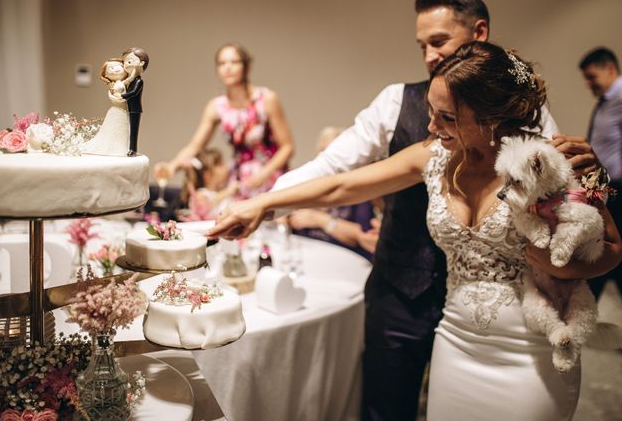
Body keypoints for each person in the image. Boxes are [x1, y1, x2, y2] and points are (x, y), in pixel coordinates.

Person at [208, 41, 622, 420]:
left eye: (447, 117)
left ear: (490, 118)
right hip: (455, 345)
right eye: (430, 111)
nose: (430, 126)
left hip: (531, 355)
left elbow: (612, 250)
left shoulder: (542, 163)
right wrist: (263, 204)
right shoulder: (436, 156)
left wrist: (563, 266)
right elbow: (343, 183)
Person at [154, 43, 294, 199]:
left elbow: (287, 147)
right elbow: (195, 145)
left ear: (246, 67)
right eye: (222, 63)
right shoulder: (217, 106)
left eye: (234, 62)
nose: (228, 68)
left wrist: (265, 173)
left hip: (270, 176)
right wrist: (172, 166)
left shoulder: (266, 99)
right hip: (240, 180)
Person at [287, 126, 375, 260]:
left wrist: (320, 220)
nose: (329, 157)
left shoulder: (357, 189)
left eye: (335, 151)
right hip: (309, 257)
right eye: (323, 151)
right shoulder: (307, 186)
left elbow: (362, 235)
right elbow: (291, 221)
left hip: (346, 260)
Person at [580, 47, 622, 299]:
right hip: (607, 191)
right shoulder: (606, 102)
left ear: (609, 69)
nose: (588, 84)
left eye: (591, 76)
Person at [82, 58, 130, 156]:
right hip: (117, 109)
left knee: (121, 129)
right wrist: (120, 98)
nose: (116, 69)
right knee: (114, 128)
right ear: (106, 75)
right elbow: (113, 97)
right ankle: (114, 148)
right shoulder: (115, 86)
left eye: (119, 66)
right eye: (111, 68)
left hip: (122, 110)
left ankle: (120, 148)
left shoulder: (122, 84)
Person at [179, 148, 239, 221]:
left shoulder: (223, 190)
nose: (226, 168)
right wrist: (228, 191)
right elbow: (206, 206)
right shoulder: (201, 194)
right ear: (208, 175)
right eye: (220, 165)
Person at [121, 47, 149, 156]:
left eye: (129, 61)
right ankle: (125, 147)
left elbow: (133, 93)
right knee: (126, 128)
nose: (126, 65)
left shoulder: (138, 81)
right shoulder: (129, 80)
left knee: (133, 131)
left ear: (141, 63)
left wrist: (122, 96)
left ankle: (133, 149)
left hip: (135, 110)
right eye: (125, 62)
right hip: (128, 108)